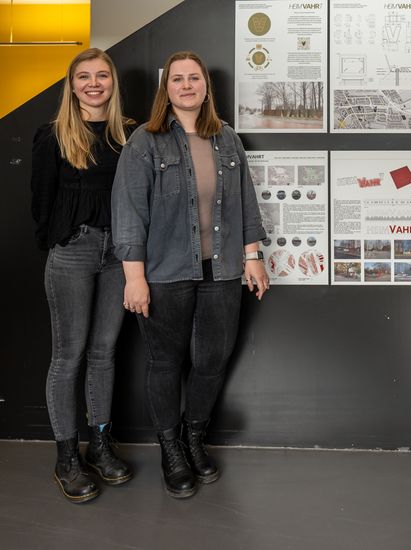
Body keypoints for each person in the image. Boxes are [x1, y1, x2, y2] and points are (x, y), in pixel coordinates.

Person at [111, 51, 269, 499]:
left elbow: (244, 204)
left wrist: (252, 256)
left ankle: (194, 439)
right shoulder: (146, 140)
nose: (186, 85)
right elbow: (128, 214)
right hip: (163, 272)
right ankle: (170, 449)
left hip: (221, 270)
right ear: (168, 89)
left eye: (193, 78)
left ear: (205, 86)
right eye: (177, 79)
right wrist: (134, 278)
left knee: (211, 361)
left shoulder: (228, 139)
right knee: (165, 362)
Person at [31, 48, 134, 503]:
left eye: (102, 76)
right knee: (67, 356)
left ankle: (100, 444)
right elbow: (41, 203)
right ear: (72, 86)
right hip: (73, 253)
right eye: (84, 77)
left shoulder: (131, 136)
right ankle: (67, 457)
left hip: (120, 257)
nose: (94, 83)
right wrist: (63, 242)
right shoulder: (53, 135)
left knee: (104, 353)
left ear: (112, 83)